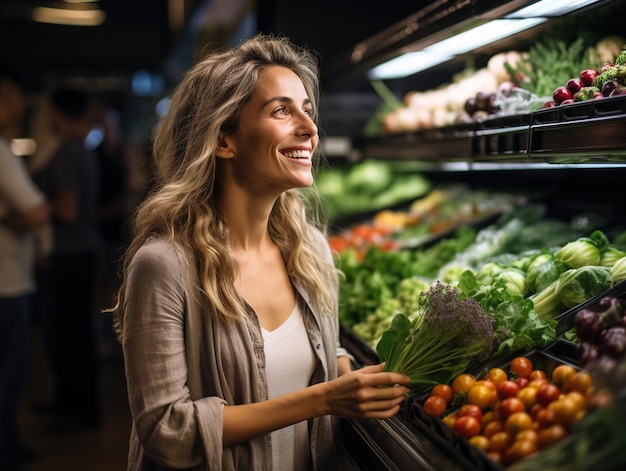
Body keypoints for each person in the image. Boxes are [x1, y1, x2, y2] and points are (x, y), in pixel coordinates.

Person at [109, 33, 410, 471]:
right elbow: (167, 431)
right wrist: (324, 399)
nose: (309, 129)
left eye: (307, 110)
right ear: (223, 139)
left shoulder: (310, 252)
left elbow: (324, 350)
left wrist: (348, 374)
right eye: (282, 110)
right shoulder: (164, 266)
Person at [31, 85, 103, 432]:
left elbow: (67, 208)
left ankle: (78, 409)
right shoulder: (84, 150)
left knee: (68, 334)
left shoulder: (65, 153)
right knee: (76, 332)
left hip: (69, 253)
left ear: (58, 114)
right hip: (83, 251)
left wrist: (25, 214)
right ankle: (74, 404)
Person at [0, 64, 50, 469]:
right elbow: (35, 211)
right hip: (7, 282)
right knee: (9, 373)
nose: (18, 104)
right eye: (13, 95)